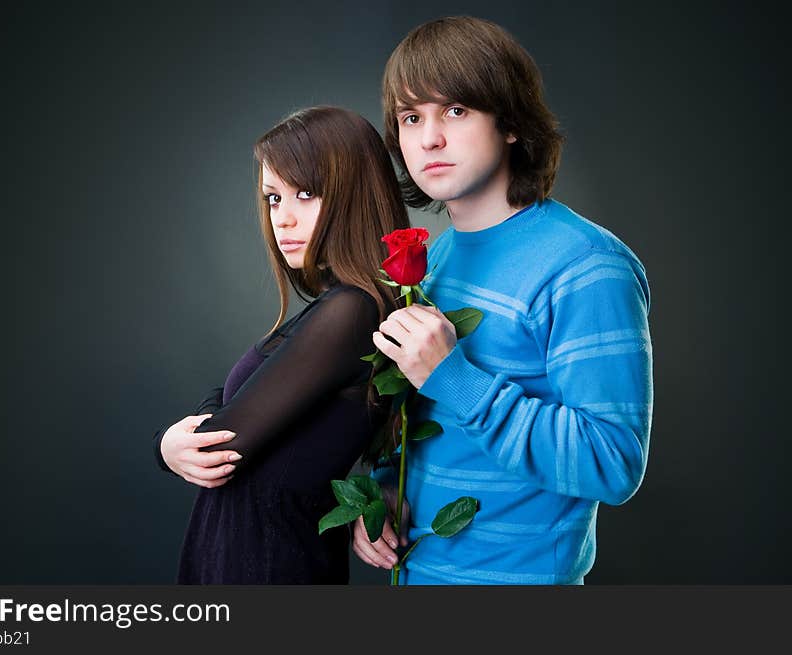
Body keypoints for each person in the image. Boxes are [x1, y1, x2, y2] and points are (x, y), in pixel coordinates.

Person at [351, 16, 654, 584]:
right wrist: (384, 495)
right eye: (411, 117)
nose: (429, 138)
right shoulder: (436, 257)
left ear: (511, 124)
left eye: (455, 111)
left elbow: (612, 464)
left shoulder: (586, 266)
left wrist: (453, 376)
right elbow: (431, 421)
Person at [152, 106, 410, 584]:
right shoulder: (334, 308)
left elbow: (221, 445)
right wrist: (174, 441)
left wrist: (164, 445)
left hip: (269, 567)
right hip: (247, 557)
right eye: (274, 198)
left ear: (354, 196)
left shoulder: (352, 311)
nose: (283, 219)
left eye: (306, 194)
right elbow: (234, 409)